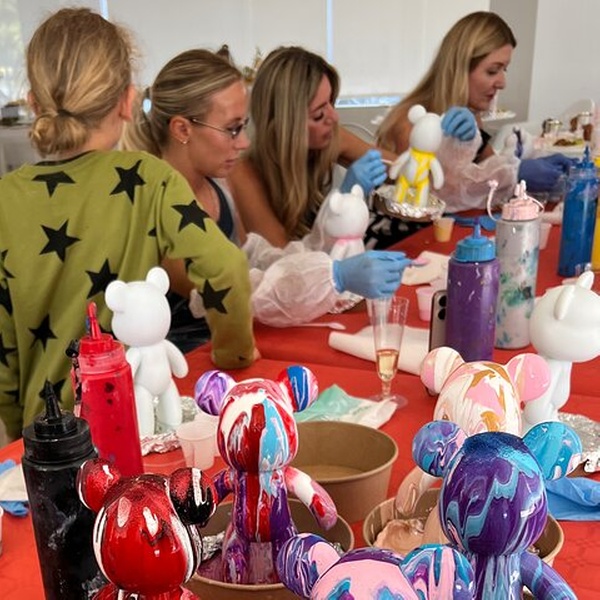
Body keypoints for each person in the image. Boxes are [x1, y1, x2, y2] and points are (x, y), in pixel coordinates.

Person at [0, 8, 256, 442]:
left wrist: (16, 427)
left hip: (45, 433)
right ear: (127, 99)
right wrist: (234, 353)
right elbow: (226, 269)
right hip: (128, 424)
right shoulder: (150, 179)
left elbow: (4, 345)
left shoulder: (6, 198)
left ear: (34, 104)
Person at [122, 48, 412, 334]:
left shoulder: (217, 189)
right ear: (183, 130)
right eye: (232, 129)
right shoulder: (158, 206)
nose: (245, 142)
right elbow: (231, 295)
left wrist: (335, 235)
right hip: (187, 354)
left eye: (244, 126)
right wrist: (334, 276)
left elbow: (264, 261)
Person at [228, 45, 478, 249]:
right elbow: (288, 269)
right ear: (285, 127)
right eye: (318, 114)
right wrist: (342, 202)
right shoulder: (244, 175)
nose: (334, 117)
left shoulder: (332, 138)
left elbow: (409, 174)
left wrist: (455, 141)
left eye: (331, 103)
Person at [376, 11, 573, 211]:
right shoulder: (413, 126)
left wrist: (536, 163)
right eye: (492, 71)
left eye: (504, 69)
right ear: (459, 69)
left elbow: (488, 171)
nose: (502, 83)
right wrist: (515, 173)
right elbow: (431, 200)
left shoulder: (469, 119)